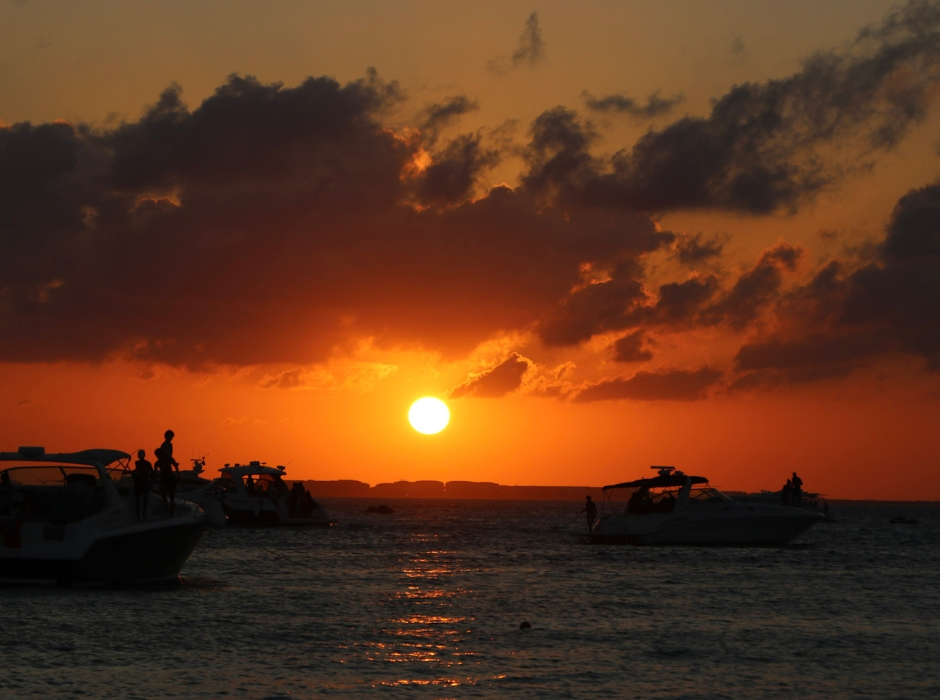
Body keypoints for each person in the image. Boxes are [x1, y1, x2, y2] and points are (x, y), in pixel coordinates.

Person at [154, 447, 179, 515]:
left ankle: (171, 511)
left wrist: (178, 476)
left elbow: (175, 466)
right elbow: (155, 473)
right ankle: (167, 509)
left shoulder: (167, 459)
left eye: (157, 455)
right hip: (164, 478)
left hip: (170, 477)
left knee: (171, 495)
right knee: (164, 494)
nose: (157, 457)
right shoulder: (157, 463)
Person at [132, 449, 154, 522]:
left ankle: (140, 517)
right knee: (142, 500)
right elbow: (152, 473)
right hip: (143, 483)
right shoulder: (147, 463)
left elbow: (138, 470)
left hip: (141, 483)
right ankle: (142, 516)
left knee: (139, 501)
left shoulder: (137, 463)